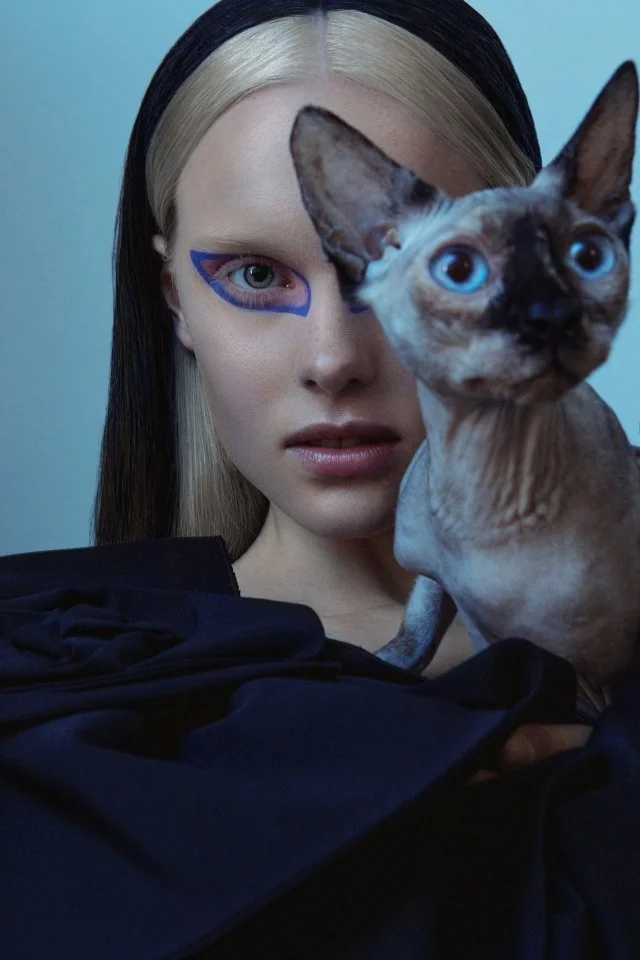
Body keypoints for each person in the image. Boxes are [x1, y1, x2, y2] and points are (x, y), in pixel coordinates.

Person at [1, 2, 638, 958]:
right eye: (256, 277)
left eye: (450, 266)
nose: (334, 359)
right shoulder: (53, 694)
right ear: (176, 301)